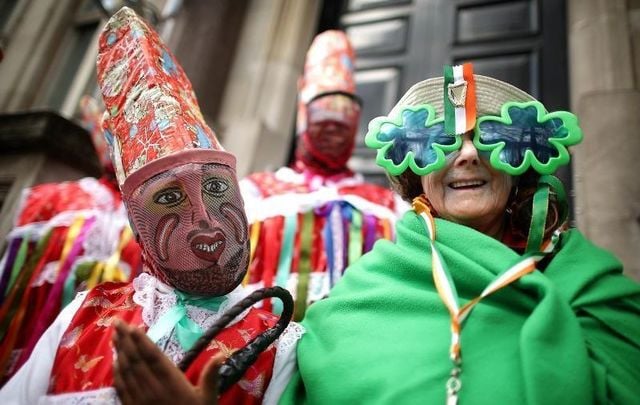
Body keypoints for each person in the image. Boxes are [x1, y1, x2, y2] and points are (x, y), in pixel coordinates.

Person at [94, 66, 640, 403]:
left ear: (522, 163)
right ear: (413, 171)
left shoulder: (591, 288)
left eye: (490, 138)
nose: (468, 154)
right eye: (442, 142)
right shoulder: (355, 303)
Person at [0, 7, 301, 404]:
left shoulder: (279, 345)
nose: (205, 220)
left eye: (214, 186)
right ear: (137, 224)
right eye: (169, 197)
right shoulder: (84, 318)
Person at [241, 30, 406, 319]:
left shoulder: (391, 206)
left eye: (345, 117)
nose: (334, 126)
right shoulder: (253, 194)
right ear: (303, 115)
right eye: (323, 115)